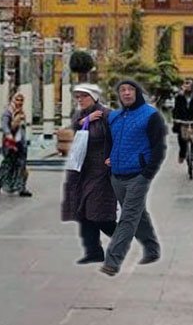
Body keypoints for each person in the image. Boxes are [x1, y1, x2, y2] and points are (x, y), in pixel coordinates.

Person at [100, 79, 167, 276]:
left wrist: (148, 173)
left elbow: (159, 147)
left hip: (138, 175)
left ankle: (112, 261)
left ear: (137, 92)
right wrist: (107, 159)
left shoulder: (151, 115)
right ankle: (152, 249)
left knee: (128, 217)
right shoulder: (115, 117)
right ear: (119, 95)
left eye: (130, 89)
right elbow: (108, 142)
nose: (127, 93)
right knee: (138, 214)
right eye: (122, 90)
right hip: (117, 176)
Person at [62, 84, 116, 264]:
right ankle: (93, 251)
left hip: (102, 168)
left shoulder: (107, 115)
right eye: (77, 97)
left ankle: (122, 235)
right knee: (83, 213)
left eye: (83, 96)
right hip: (81, 169)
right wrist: (86, 121)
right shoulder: (80, 115)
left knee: (98, 212)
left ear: (93, 97)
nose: (80, 100)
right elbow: (75, 127)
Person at [0, 93, 32, 197]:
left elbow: (23, 128)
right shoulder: (8, 112)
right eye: (17, 100)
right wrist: (8, 134)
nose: (19, 102)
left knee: (21, 165)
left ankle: (21, 188)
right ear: (13, 100)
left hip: (21, 144)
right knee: (7, 165)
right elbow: (4, 125)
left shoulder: (21, 113)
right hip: (10, 144)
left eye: (21, 100)